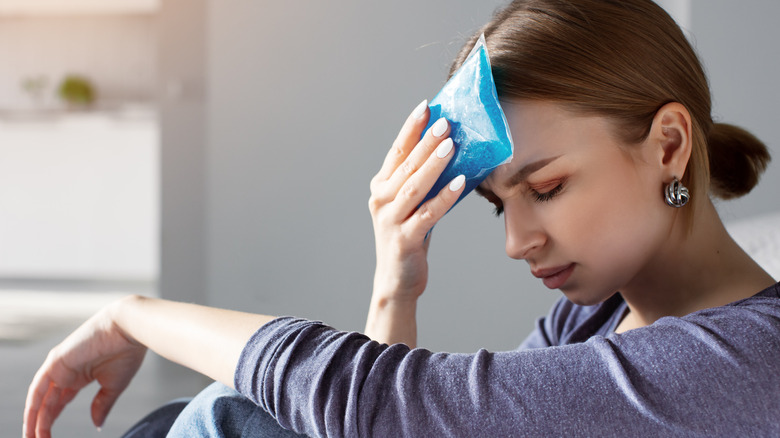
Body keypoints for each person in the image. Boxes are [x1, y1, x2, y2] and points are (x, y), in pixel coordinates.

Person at [24, 0, 779, 436]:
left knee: (232, 416)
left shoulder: (749, 363)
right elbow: (385, 426)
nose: (518, 242)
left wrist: (134, 315)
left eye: (544, 188)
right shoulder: (593, 320)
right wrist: (396, 283)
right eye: (496, 206)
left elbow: (388, 411)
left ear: (669, 146)